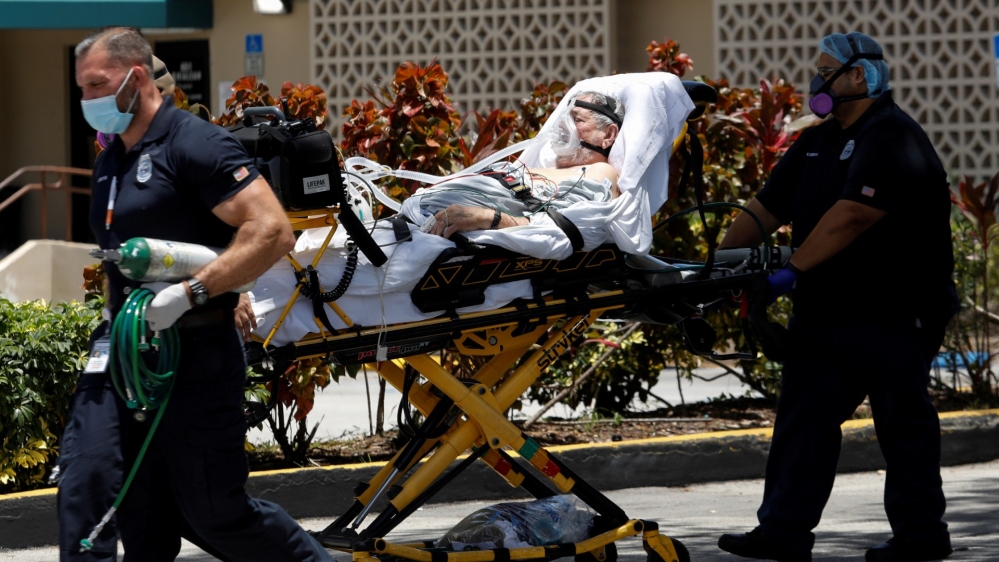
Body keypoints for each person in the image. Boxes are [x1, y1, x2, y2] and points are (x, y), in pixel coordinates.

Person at [62, 26, 332, 561]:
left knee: (214, 513)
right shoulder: (112, 159)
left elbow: (272, 230)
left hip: (195, 354)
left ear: (135, 78)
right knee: (91, 483)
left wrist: (192, 292)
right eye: (82, 88)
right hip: (123, 353)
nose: (87, 99)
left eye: (97, 85)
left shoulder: (195, 144)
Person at [715, 32, 957, 562]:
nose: (816, 80)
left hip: (896, 310)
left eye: (826, 71)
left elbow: (853, 216)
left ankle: (921, 537)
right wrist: (719, 265)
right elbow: (765, 209)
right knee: (804, 422)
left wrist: (789, 274)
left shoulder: (892, 135)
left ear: (858, 76)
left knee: (902, 423)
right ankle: (782, 533)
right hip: (827, 311)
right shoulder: (817, 142)